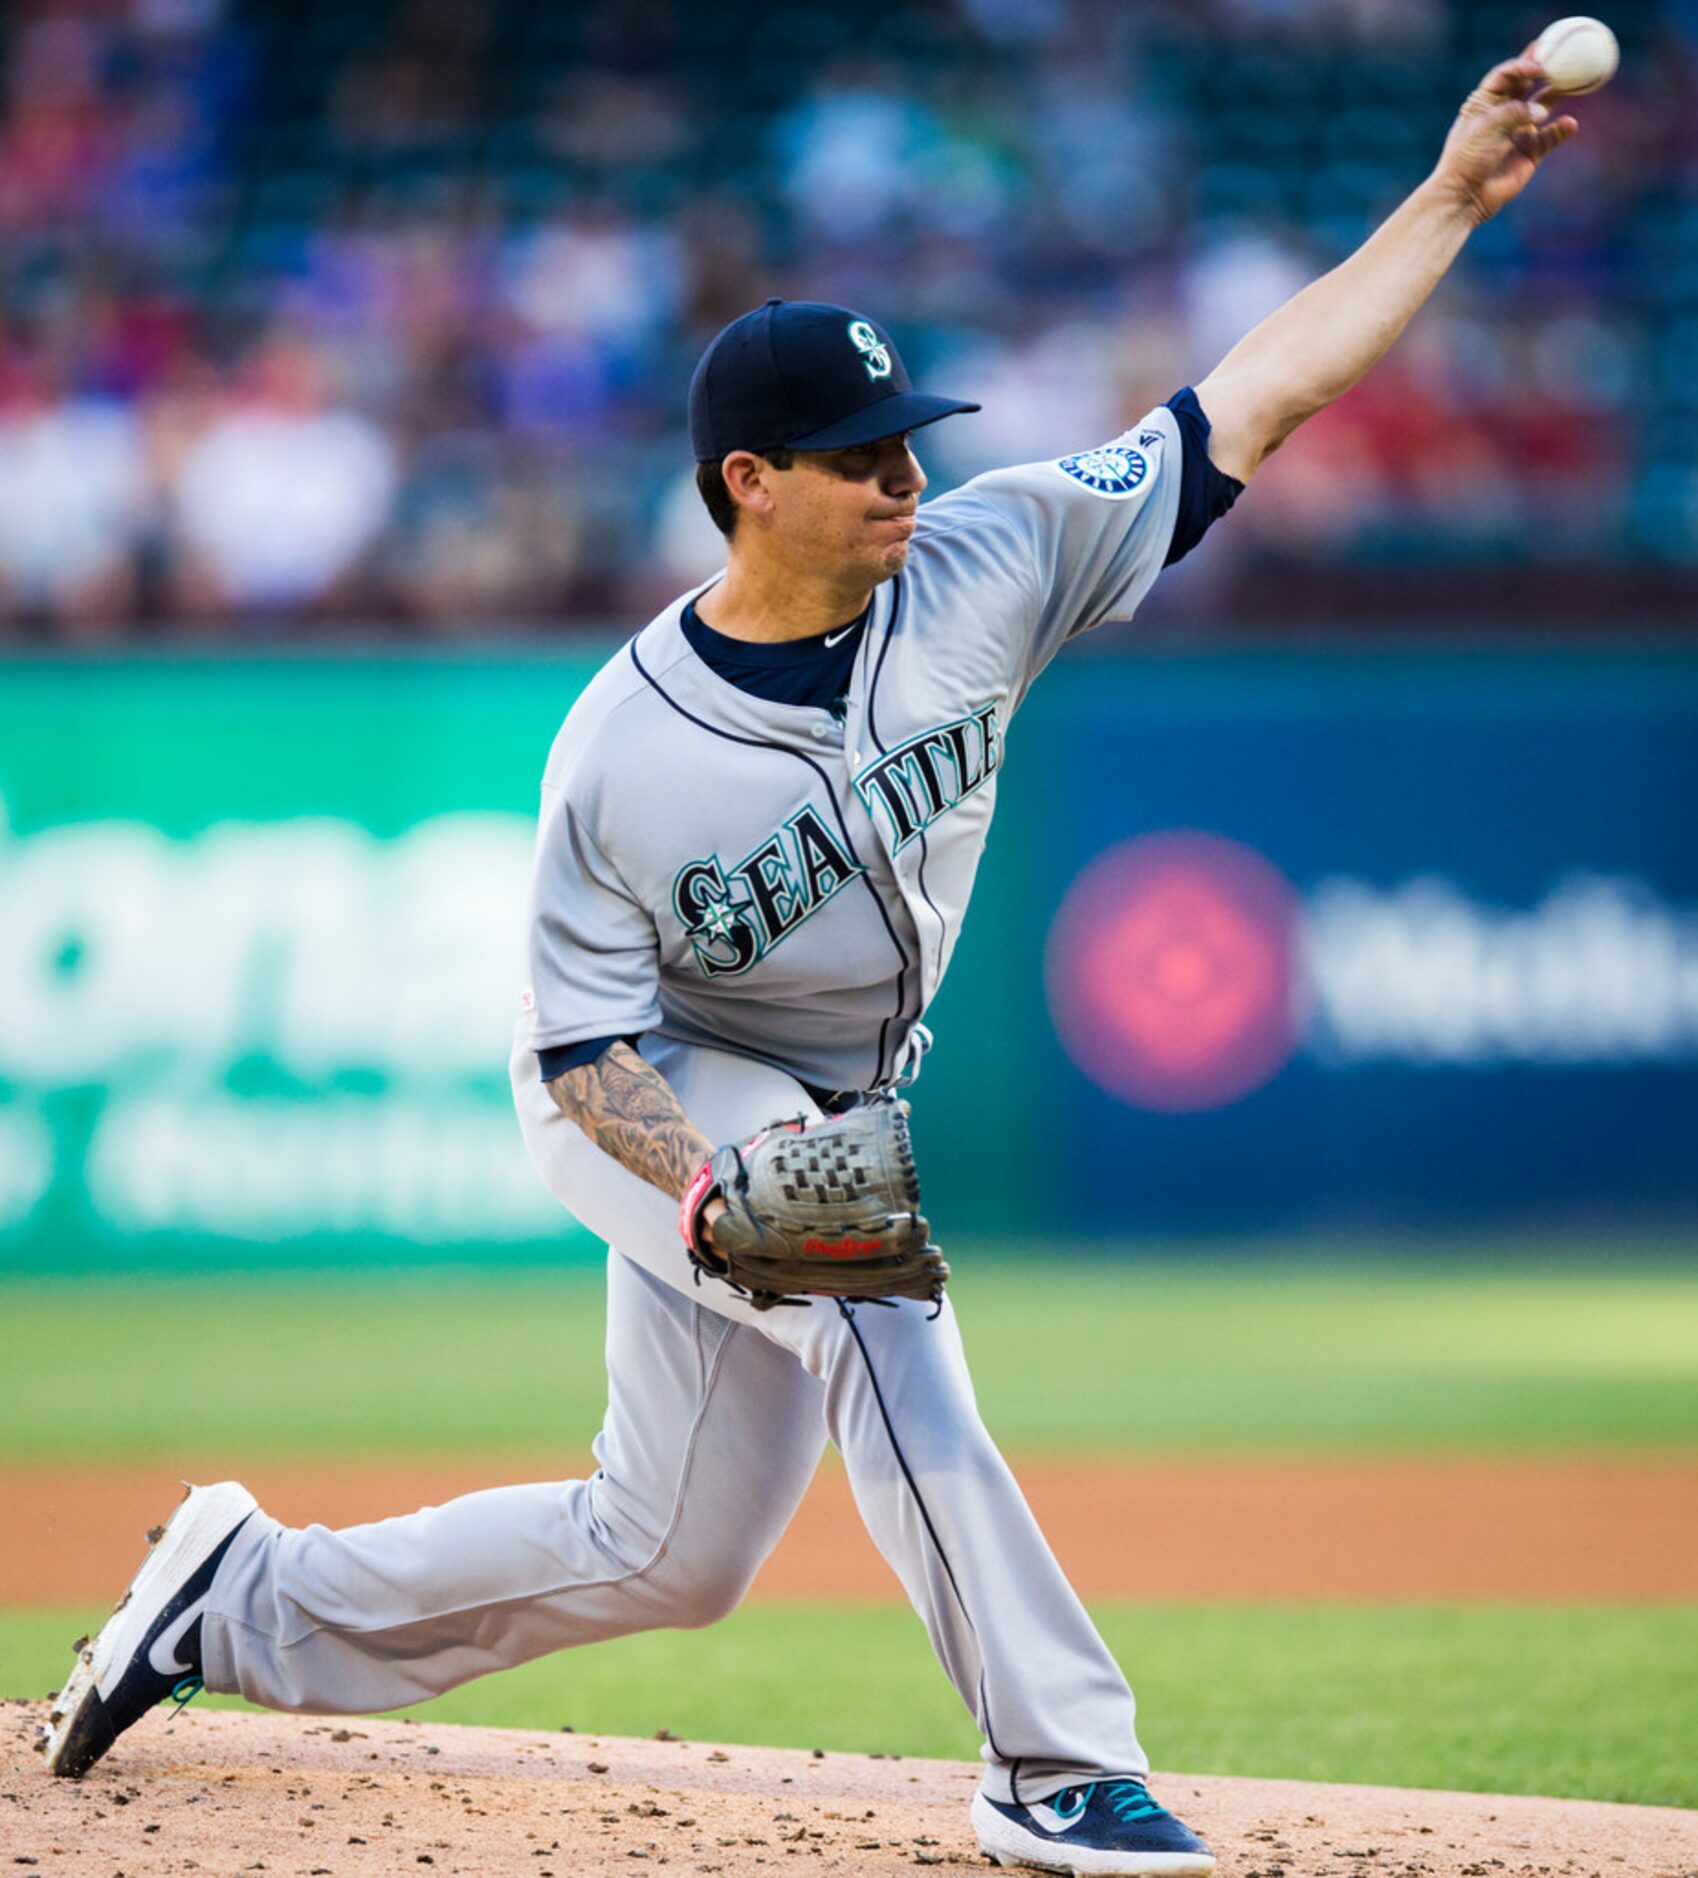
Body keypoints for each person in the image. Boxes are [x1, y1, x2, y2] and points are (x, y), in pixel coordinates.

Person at [43, 52, 1577, 1878]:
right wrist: (705, 1189)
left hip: (834, 1084)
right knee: (869, 1288)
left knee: (665, 1548)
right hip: (656, 1088)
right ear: (747, 482)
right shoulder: (622, 741)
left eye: (909, 437)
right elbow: (584, 1057)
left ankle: (237, 1600)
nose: (905, 478)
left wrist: (1452, 197)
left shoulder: (993, 555)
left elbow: (1257, 391)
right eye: (860, 458)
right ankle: (1055, 1758)